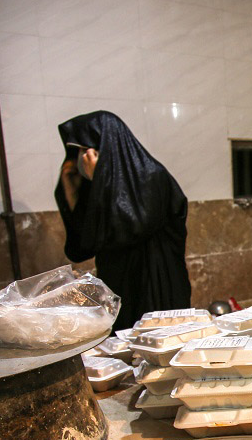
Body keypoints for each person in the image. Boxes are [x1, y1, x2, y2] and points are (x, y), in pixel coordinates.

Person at [55, 111, 191, 330]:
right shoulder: (97, 188)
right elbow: (82, 247)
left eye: (85, 150)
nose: (81, 158)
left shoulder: (151, 177)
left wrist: (100, 182)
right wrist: (70, 189)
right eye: (78, 151)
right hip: (119, 288)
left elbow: (128, 229)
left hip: (155, 288)